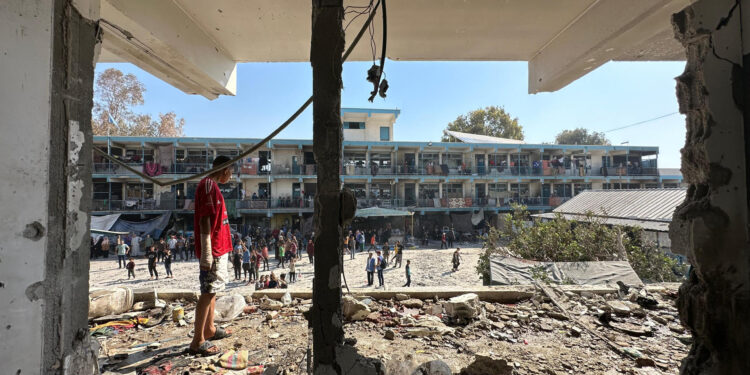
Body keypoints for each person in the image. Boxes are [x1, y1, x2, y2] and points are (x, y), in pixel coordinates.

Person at [189, 155, 234, 357]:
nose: (231, 175)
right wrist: (207, 252)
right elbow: (205, 219)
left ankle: (210, 329)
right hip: (213, 250)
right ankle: (197, 340)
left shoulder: (213, 186)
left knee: (213, 290)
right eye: (231, 171)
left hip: (219, 248)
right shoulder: (208, 184)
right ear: (225, 170)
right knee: (207, 292)